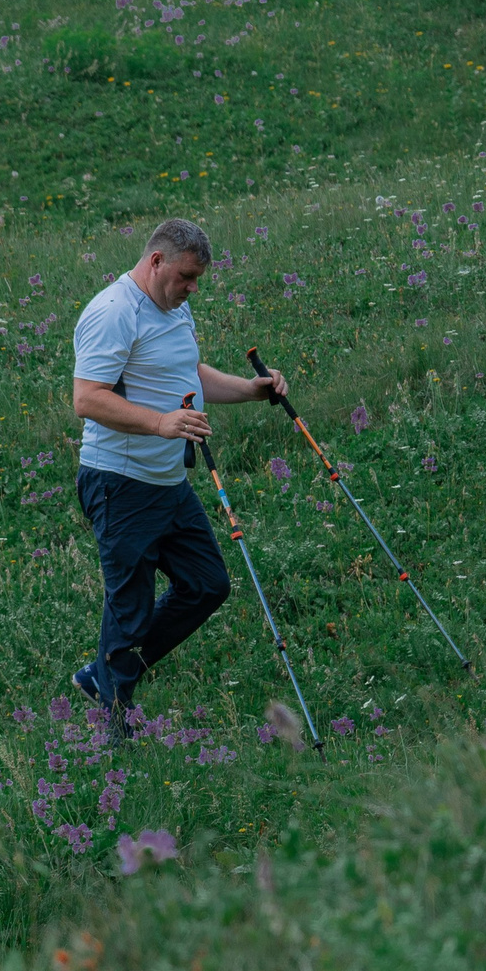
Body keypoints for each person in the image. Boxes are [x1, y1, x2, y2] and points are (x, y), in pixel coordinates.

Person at [69, 218, 285, 738]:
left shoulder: (173, 307)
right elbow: (87, 398)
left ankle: (105, 677)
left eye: (198, 280)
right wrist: (162, 423)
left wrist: (253, 390)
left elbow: (189, 372)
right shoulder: (114, 313)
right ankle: (115, 728)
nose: (193, 288)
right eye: (187, 276)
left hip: (167, 483)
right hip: (120, 482)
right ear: (157, 261)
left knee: (207, 585)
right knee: (130, 607)